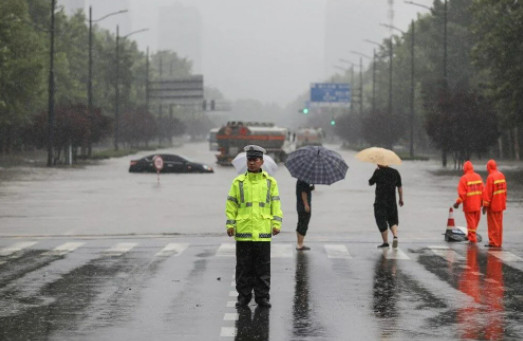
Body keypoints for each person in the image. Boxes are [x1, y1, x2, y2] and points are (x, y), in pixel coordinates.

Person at [225, 145, 283, 308]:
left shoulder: (270, 182)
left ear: (261, 162)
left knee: (263, 267)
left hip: (263, 232)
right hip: (243, 231)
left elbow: (276, 205)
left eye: (255, 160)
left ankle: (262, 297)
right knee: (243, 267)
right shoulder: (238, 182)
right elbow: (231, 205)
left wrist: (276, 224)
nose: (252, 163)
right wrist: (230, 224)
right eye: (249, 160)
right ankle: (243, 296)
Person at [369, 164, 404, 248]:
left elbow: (370, 182)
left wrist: (375, 172)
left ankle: (385, 242)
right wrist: (401, 199)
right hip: (392, 201)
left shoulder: (378, 172)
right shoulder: (395, 172)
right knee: (392, 220)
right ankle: (395, 236)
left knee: (381, 220)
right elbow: (399, 187)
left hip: (380, 201)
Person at [453, 161, 484, 243]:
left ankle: (472, 239)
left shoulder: (464, 178)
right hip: (478, 204)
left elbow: (462, 194)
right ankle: (471, 235)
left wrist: (457, 203)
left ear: (465, 168)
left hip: (469, 205)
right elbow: (483, 191)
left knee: (471, 223)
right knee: (475, 222)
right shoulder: (478, 177)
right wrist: (483, 203)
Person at [482, 159, 507, 248]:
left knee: (493, 225)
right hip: (500, 204)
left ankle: (493, 242)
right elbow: (504, 191)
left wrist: (485, 205)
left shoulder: (491, 177)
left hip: (493, 205)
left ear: (489, 167)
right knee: (499, 224)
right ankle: (498, 241)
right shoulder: (501, 175)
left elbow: (488, 193)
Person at [296, 179, 315, 251]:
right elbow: (303, 192)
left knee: (300, 223)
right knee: (304, 224)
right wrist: (306, 205)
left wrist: (310, 188)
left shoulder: (300, 180)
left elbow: (304, 190)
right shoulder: (304, 180)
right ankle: (300, 244)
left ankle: (299, 243)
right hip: (303, 206)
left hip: (299, 206)